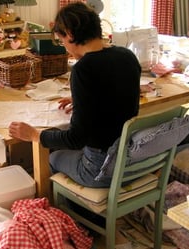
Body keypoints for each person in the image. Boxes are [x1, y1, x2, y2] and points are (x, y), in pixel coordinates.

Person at [8, 2, 141, 188]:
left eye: (61, 41)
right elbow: (119, 92)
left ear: (69, 34)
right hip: (134, 160)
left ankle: (71, 211)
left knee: (52, 157)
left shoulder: (83, 69)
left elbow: (75, 138)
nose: (64, 46)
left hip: (100, 169)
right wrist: (82, 98)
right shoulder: (127, 56)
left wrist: (35, 134)